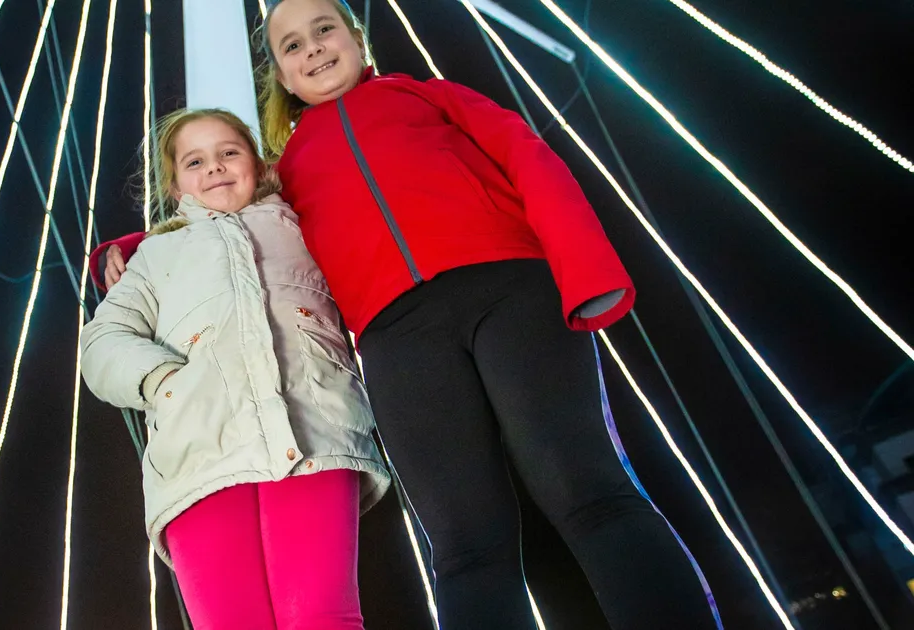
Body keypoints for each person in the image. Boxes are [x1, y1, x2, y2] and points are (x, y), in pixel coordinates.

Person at [92, 1, 720, 628]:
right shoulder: (290, 169)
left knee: (587, 490)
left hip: (509, 292)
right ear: (281, 76)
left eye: (324, 30)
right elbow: (229, 228)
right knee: (463, 540)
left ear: (357, 39)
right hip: (399, 338)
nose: (311, 48)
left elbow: (528, 158)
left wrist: (587, 274)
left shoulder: (431, 97)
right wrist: (130, 248)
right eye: (291, 45)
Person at [80, 106, 391, 630]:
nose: (216, 167)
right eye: (195, 161)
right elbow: (103, 341)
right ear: (177, 187)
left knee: (323, 617)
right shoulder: (155, 259)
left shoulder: (302, 225)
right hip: (199, 454)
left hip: (312, 434)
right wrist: (165, 382)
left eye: (230, 152)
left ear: (260, 165)